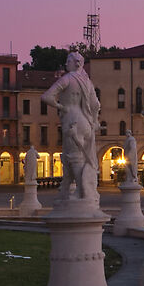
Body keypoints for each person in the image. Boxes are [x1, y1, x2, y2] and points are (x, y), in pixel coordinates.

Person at [45, 51, 103, 202]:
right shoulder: (87, 82)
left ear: (74, 63)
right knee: (82, 157)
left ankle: (83, 192)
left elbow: (46, 97)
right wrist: (95, 121)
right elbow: (96, 104)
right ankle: (65, 191)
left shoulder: (67, 79)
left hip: (72, 121)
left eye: (68, 61)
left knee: (73, 157)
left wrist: (60, 107)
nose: (66, 64)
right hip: (86, 123)